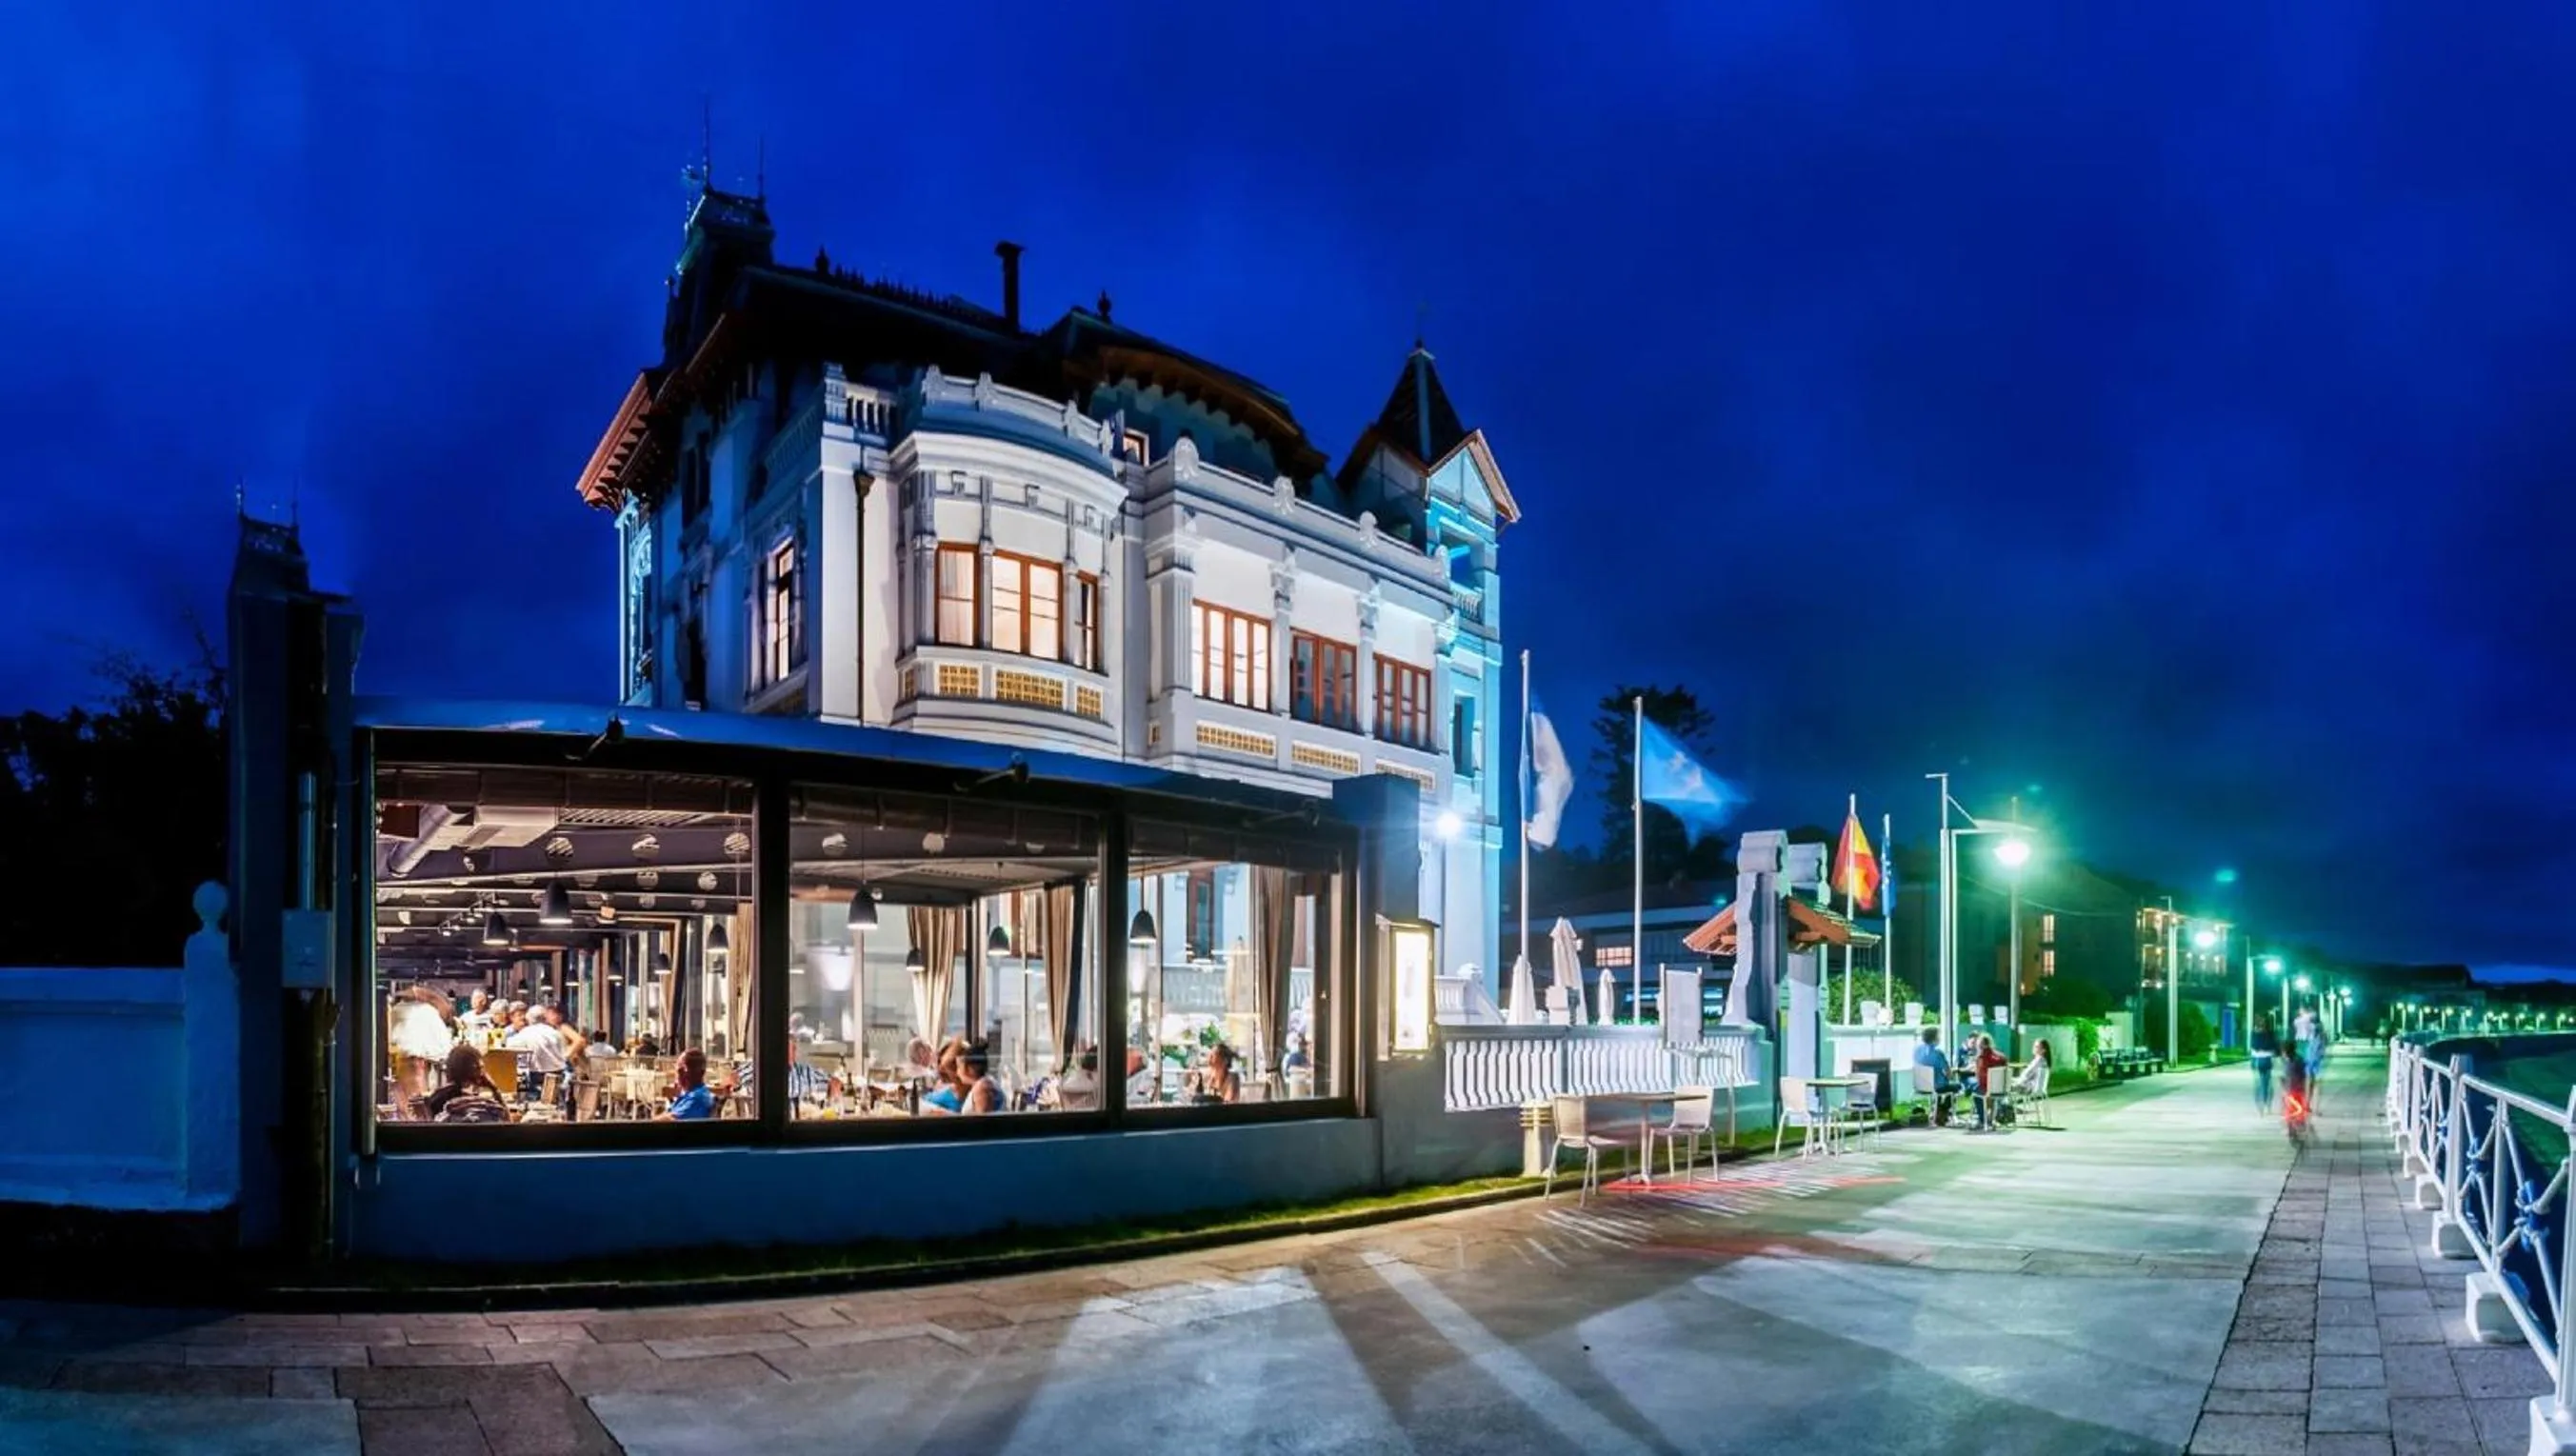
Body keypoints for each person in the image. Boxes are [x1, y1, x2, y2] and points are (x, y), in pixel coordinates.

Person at [424, 1044, 509, 1124]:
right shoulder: (478, 1105)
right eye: (479, 1068)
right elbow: (507, 1123)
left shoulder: (437, 1096)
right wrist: (495, 1089)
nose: (483, 1072)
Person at [1912, 1028, 1961, 1127]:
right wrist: (1952, 1074)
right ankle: (1942, 1112)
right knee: (1957, 1086)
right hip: (1937, 1086)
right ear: (1934, 1039)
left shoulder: (1917, 1051)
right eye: (1939, 1036)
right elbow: (1948, 1074)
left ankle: (1937, 1111)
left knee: (1941, 1089)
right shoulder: (1938, 1053)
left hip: (1920, 1085)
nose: (1940, 1038)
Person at [1963, 1034, 2009, 1129]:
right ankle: (1991, 1119)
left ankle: (1982, 1120)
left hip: (1987, 1089)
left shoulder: (1981, 1058)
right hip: (2001, 1089)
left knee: (1976, 1092)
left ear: (1980, 1045)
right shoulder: (2002, 1057)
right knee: (1978, 1088)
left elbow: (1980, 1077)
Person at [657, 1048, 716, 1121]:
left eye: (677, 1069)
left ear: (684, 1071)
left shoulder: (697, 1098)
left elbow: (668, 1121)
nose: (675, 1075)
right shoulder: (691, 1094)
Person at [2249, 1014, 2281, 1111]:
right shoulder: (2271, 1033)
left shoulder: (2254, 1033)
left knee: (2258, 1083)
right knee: (2267, 1082)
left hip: (2256, 1060)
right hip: (2267, 1059)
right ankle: (2267, 1103)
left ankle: (2260, 1103)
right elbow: (2275, 1046)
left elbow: (2253, 1046)